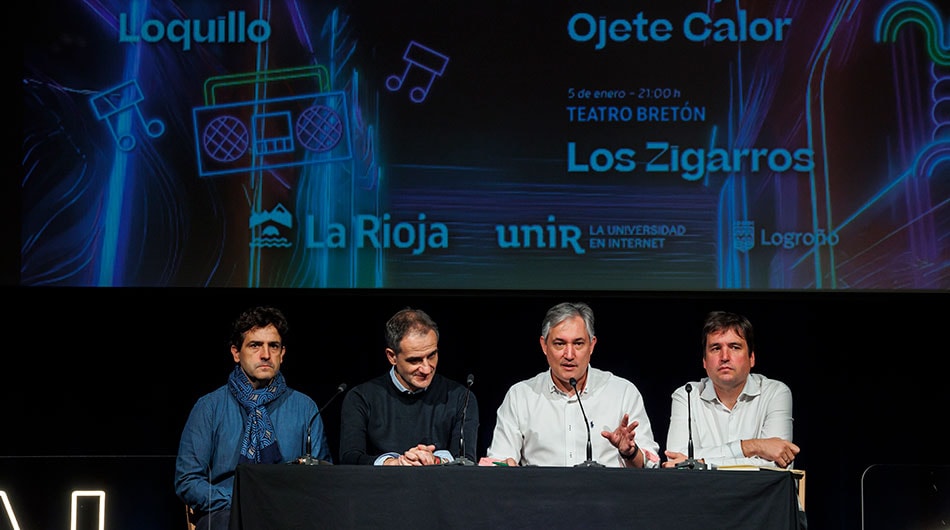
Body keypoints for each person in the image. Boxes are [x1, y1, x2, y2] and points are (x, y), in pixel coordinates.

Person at [175, 306, 331, 530]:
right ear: (236, 353)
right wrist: (241, 501)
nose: (265, 354)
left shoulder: (305, 407)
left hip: (288, 511)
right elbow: (187, 481)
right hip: (226, 513)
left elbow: (323, 476)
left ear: (282, 353)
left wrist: (280, 502)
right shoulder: (209, 407)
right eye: (255, 345)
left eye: (273, 346)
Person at [485, 301, 660, 468]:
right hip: (541, 497)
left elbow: (650, 466)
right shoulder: (521, 396)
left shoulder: (622, 393)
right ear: (544, 345)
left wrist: (630, 452)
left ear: (591, 346)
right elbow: (498, 461)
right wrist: (505, 466)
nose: (569, 354)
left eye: (578, 343)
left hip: (607, 497)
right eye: (559, 344)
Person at [339, 307, 478, 465]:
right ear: (392, 357)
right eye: (415, 360)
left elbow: (466, 460)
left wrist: (436, 460)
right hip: (379, 488)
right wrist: (393, 463)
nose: (427, 368)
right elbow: (349, 458)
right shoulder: (361, 397)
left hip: (440, 488)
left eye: (432, 355)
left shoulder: (461, 396)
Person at [662, 310, 800, 469]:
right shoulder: (687, 395)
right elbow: (676, 464)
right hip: (703, 494)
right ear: (704, 361)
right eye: (715, 348)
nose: (725, 357)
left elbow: (777, 466)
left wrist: (701, 463)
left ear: (751, 358)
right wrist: (751, 446)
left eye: (734, 347)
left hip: (759, 494)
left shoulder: (775, 393)